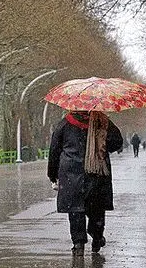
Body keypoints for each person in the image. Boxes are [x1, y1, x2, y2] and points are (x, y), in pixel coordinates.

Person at [47, 110, 123, 257]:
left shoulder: (65, 123)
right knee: (97, 209)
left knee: (75, 209)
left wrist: (52, 174)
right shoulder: (103, 121)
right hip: (97, 173)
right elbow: (117, 143)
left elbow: (54, 150)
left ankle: (78, 243)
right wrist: (100, 145)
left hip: (71, 174)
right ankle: (97, 236)